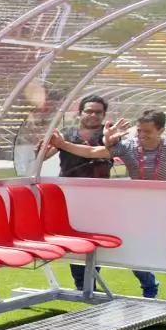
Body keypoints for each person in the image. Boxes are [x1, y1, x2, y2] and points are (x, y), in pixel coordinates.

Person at [47, 108, 166, 300]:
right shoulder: (129, 146)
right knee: (133, 247)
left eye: (147, 132)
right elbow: (93, 152)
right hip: (137, 206)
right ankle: (149, 287)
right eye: (139, 130)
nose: (141, 135)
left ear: (160, 130)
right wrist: (62, 144)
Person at [42, 94, 123, 292]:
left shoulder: (108, 135)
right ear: (80, 113)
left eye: (98, 112)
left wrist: (63, 145)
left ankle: (89, 281)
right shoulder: (67, 133)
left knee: (95, 239)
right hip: (69, 194)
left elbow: (104, 151)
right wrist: (43, 144)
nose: (93, 115)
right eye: (89, 111)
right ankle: (82, 284)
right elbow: (42, 156)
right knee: (74, 238)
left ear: (104, 115)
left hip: (98, 195)